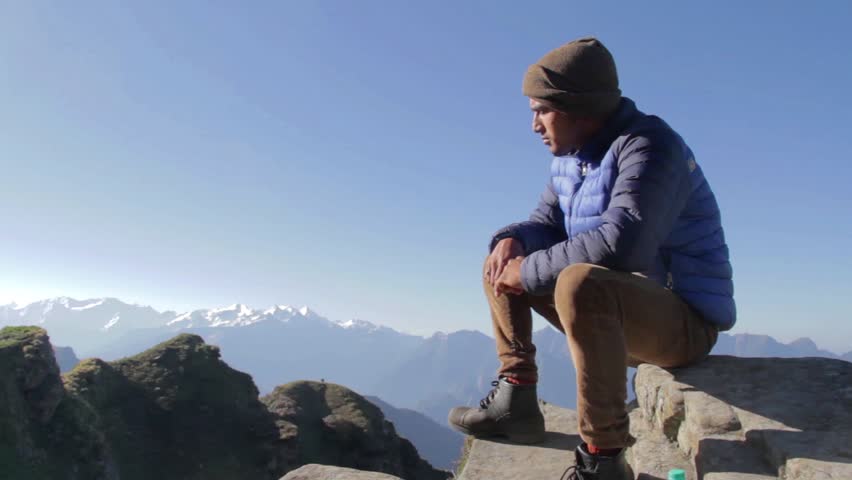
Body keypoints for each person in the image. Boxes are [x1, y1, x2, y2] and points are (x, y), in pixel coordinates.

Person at [447, 37, 735, 480]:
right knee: (503, 259)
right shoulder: (571, 159)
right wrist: (511, 240)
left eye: (542, 110)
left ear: (578, 107)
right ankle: (516, 400)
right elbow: (545, 225)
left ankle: (603, 459)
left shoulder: (650, 146)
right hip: (618, 318)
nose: (534, 125)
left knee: (578, 282)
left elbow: (624, 243)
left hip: (681, 323)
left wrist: (528, 271)